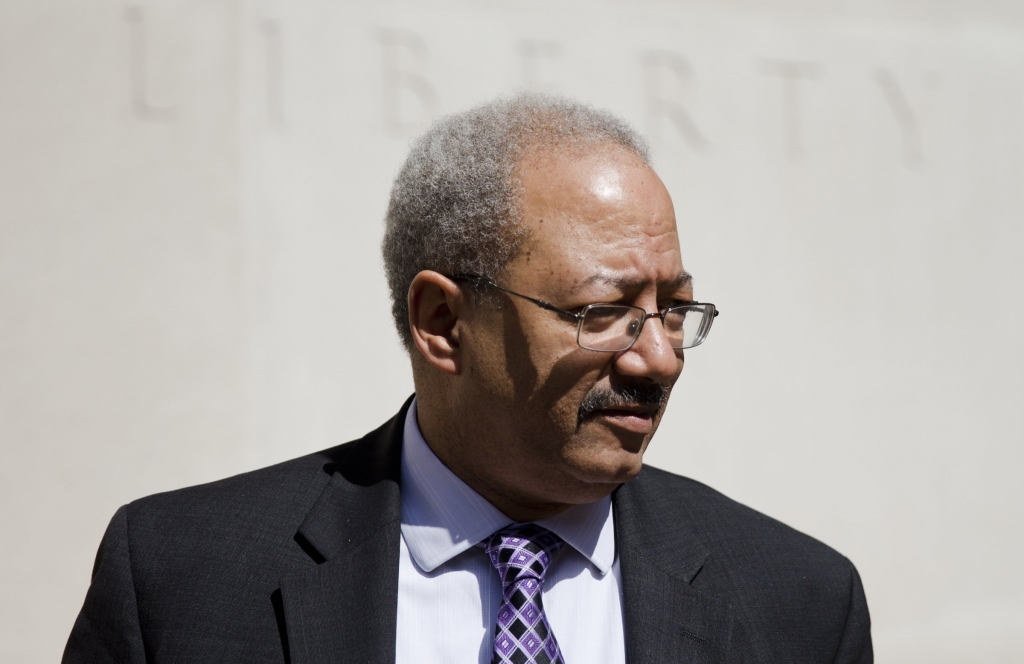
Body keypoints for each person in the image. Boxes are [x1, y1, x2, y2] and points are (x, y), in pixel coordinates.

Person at [63, 94, 872, 664]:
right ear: (443, 324)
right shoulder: (180, 580)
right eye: (603, 311)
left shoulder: (796, 601)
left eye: (674, 310)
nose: (658, 358)